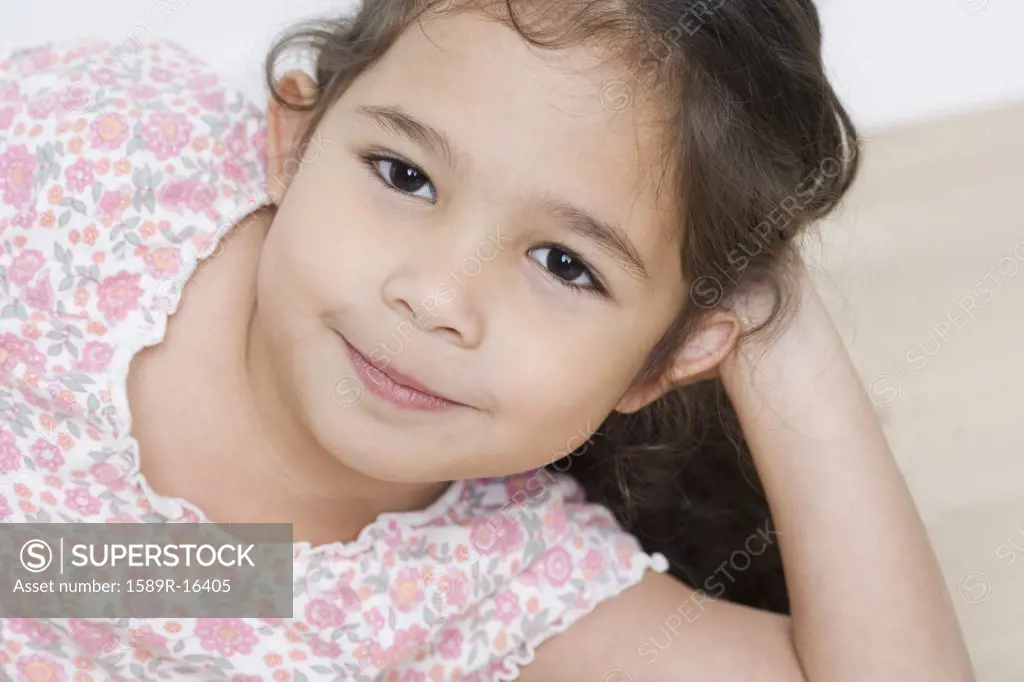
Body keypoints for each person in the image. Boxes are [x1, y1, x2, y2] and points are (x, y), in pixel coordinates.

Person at [0, 0, 974, 680]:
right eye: (404, 174)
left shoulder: (491, 583)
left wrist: (775, 329)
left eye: (563, 264)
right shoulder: (95, 162)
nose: (436, 298)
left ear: (664, 359)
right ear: (295, 138)